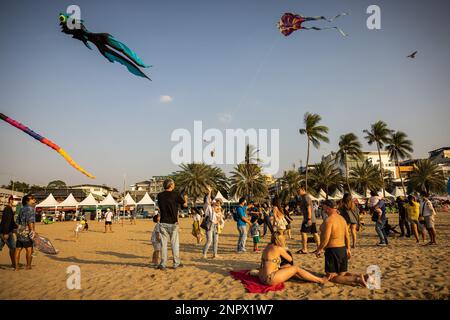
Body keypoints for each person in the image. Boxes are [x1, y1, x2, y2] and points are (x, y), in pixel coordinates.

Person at [315, 200, 369, 287]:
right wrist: (348, 249)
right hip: (342, 249)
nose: (324, 210)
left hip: (332, 250)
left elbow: (326, 238)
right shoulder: (342, 219)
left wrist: (319, 249)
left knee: (331, 277)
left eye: (324, 208)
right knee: (342, 274)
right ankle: (363, 277)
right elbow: (347, 236)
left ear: (328, 208)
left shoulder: (329, 220)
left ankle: (357, 279)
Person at [258, 231, 326, 285]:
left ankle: (308, 278)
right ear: (280, 240)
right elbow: (290, 259)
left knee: (288, 267)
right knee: (295, 268)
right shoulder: (278, 248)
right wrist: (285, 249)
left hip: (261, 277)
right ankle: (319, 280)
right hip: (269, 278)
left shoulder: (267, 247)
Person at [156, 179, 188, 270]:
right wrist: (185, 199)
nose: (174, 185)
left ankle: (163, 264)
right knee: (174, 244)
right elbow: (184, 206)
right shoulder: (175, 195)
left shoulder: (160, 195)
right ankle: (176, 263)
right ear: (170, 185)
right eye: (173, 184)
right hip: (173, 223)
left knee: (164, 245)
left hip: (163, 223)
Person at [15, 194, 37, 271]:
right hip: (26, 230)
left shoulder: (22, 208)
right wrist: (32, 232)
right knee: (29, 249)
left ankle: (16, 267)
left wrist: (18, 230)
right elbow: (30, 221)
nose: (34, 200)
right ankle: (28, 266)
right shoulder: (30, 209)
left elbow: (17, 221)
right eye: (32, 198)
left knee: (18, 249)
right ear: (27, 201)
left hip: (19, 230)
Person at [297, 185, 320, 254]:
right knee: (314, 233)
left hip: (308, 219)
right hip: (310, 219)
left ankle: (304, 249)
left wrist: (309, 219)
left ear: (303, 190)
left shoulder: (306, 197)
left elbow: (309, 208)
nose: (298, 192)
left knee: (303, 232)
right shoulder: (304, 197)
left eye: (299, 190)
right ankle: (319, 248)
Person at [202, 189, 223, 259]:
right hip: (210, 225)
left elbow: (220, 217)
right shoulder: (208, 207)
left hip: (216, 226)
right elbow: (207, 200)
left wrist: (219, 219)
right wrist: (209, 192)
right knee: (209, 241)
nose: (214, 202)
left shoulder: (215, 209)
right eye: (212, 201)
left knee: (216, 241)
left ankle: (215, 254)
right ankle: (204, 254)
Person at [0, 196, 18, 269]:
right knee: (13, 248)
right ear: (10, 200)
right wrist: (6, 232)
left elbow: (11, 222)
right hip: (6, 232)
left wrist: (16, 227)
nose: (16, 201)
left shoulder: (10, 209)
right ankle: (14, 264)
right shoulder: (8, 209)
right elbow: (6, 221)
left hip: (5, 231)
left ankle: (14, 264)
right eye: (15, 200)